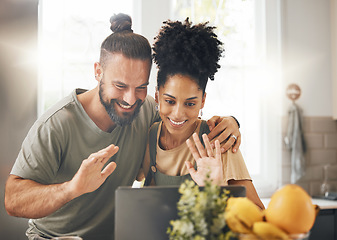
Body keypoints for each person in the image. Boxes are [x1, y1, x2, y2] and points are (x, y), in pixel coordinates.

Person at [4, 13, 241, 240]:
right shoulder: (55, 125)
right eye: (120, 86)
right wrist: (72, 188)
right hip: (56, 237)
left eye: (141, 87)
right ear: (98, 72)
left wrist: (231, 122)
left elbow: (180, 117)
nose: (130, 99)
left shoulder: (145, 109)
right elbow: (13, 200)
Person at [138, 18, 264, 209]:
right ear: (157, 96)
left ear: (203, 100)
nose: (178, 114)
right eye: (170, 101)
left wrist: (217, 188)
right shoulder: (150, 137)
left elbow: (259, 216)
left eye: (190, 103)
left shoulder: (218, 141)